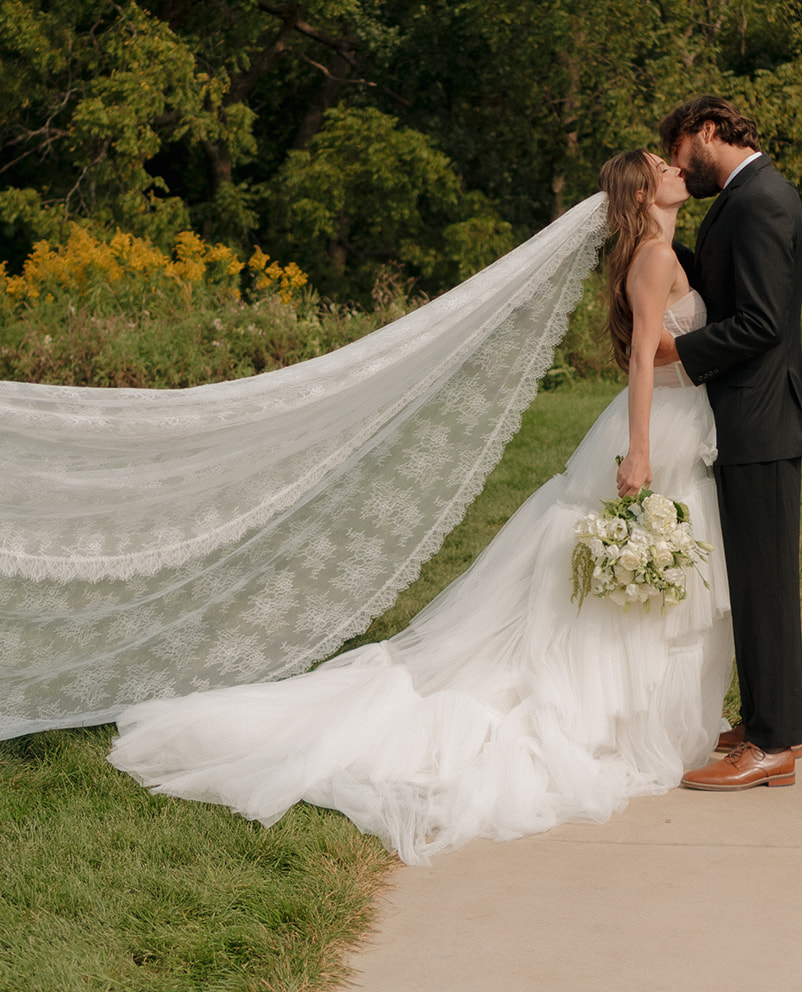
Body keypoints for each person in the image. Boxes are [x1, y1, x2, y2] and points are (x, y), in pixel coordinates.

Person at [108, 152, 735, 864]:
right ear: (643, 190)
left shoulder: (664, 250)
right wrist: (642, 450)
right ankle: (604, 722)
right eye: (661, 165)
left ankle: (635, 717)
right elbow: (641, 355)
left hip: (680, 420)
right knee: (632, 580)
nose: (676, 167)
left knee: (652, 584)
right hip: (661, 426)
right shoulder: (654, 258)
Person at [656, 96, 802, 792]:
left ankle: (774, 744)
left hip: (758, 421)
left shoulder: (761, 201)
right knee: (750, 584)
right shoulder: (741, 198)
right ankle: (761, 721)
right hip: (742, 421)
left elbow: (758, 323)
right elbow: (721, 287)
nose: (676, 158)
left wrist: (674, 351)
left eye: (679, 143)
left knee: (766, 586)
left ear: (709, 131)